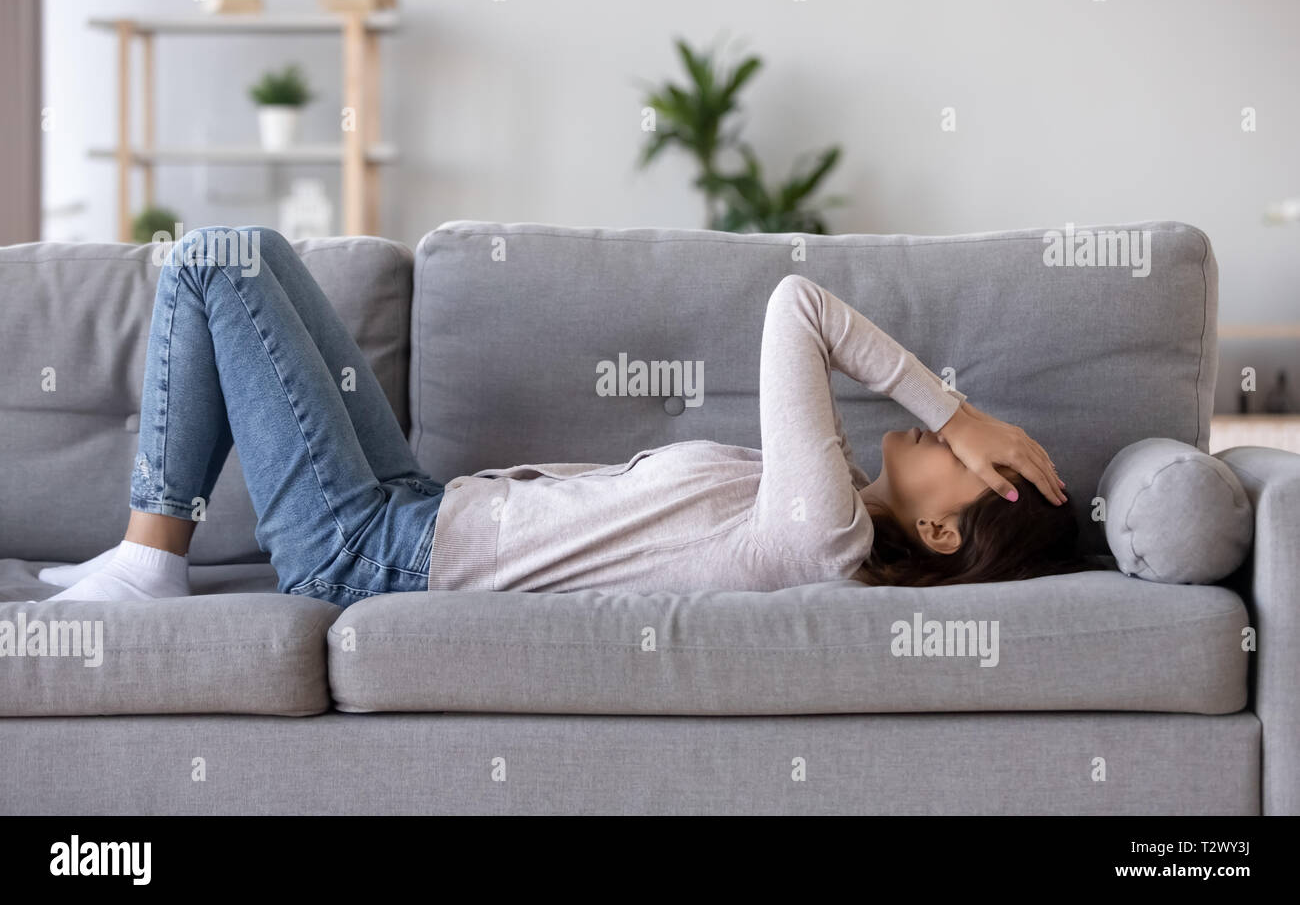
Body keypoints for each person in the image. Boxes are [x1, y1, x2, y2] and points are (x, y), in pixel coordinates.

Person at [41, 227, 1082, 608]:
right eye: (972, 439)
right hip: (411, 507)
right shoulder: (815, 496)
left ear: (943, 530)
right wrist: (962, 424)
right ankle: (145, 560)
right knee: (254, 250)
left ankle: (148, 562)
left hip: (369, 554)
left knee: (213, 257)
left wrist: (962, 407)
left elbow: (795, 303)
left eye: (973, 462)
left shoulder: (821, 531)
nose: (957, 440)